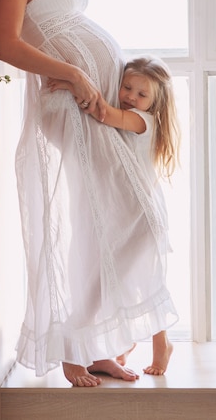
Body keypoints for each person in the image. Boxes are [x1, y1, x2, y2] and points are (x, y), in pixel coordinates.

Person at [0, 0, 179, 387]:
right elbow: (5, 43)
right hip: (71, 106)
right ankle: (77, 347)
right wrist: (72, 72)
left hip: (93, 103)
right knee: (113, 219)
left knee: (122, 220)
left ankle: (95, 344)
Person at [48, 54, 181, 375]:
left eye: (141, 94)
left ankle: (76, 347)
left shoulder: (142, 121)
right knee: (127, 280)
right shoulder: (134, 114)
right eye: (127, 87)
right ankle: (120, 345)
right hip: (130, 214)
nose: (131, 97)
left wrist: (70, 82)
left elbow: (103, 113)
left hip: (139, 216)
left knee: (116, 280)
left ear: (155, 103)